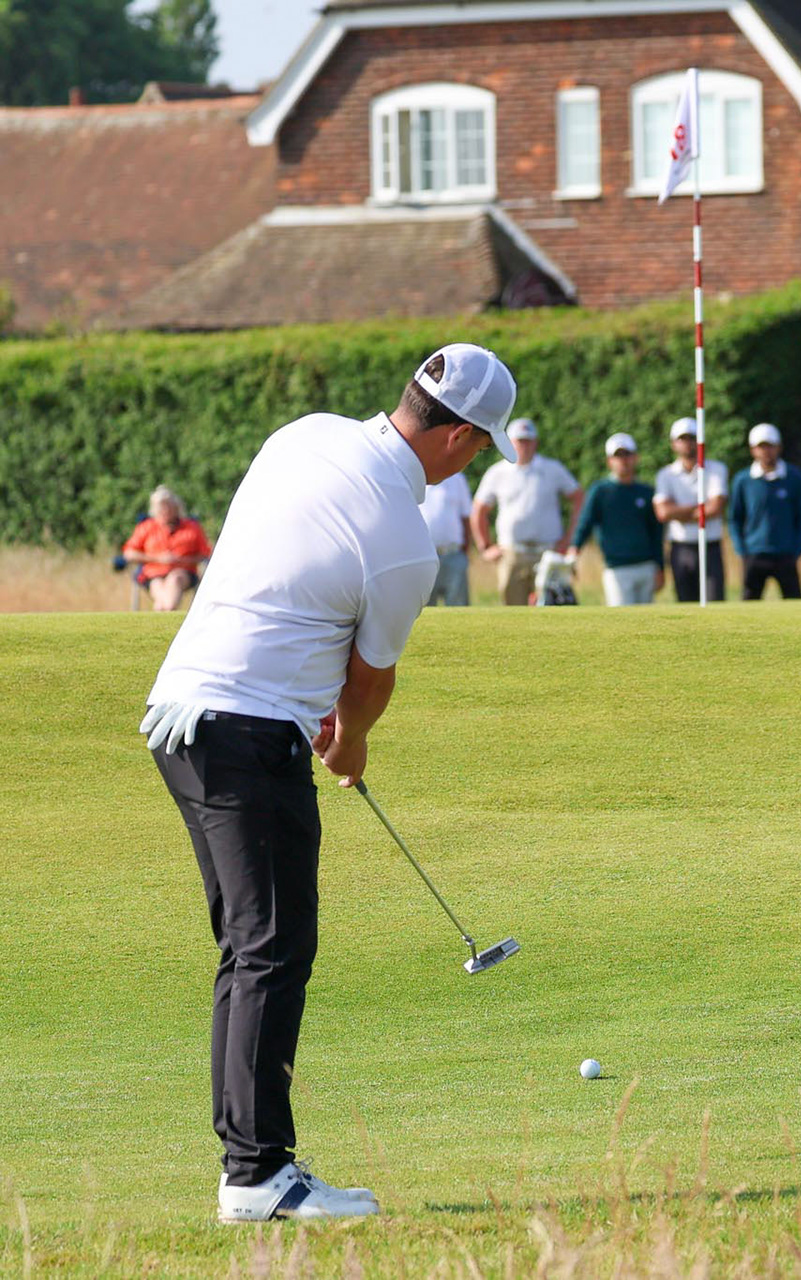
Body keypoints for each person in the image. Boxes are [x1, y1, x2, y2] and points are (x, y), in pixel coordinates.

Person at [140, 344, 518, 1223]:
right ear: (460, 437)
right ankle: (259, 1176)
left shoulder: (302, 435)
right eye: (478, 446)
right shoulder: (403, 540)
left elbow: (284, 572)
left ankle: (252, 1166)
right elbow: (369, 682)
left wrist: (310, 698)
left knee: (249, 944)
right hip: (247, 731)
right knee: (273, 947)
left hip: (179, 714)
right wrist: (350, 747)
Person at [471, 418, 583, 606]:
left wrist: (569, 539)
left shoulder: (552, 469)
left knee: (553, 608)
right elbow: (479, 510)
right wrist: (485, 547)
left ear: (535, 442)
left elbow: (578, 497)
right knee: (513, 610)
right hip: (512, 553)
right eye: (519, 441)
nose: (524, 446)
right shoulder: (497, 472)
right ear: (510, 442)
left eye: (528, 441)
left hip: (548, 551)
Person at [573, 433, 666, 605]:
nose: (623, 460)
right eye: (618, 456)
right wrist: (575, 549)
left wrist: (659, 566)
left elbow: (656, 533)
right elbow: (585, 523)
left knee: (648, 623)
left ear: (635, 458)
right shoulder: (600, 491)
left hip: (646, 566)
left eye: (627, 455)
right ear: (610, 461)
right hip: (617, 569)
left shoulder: (646, 492)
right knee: (623, 623)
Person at [728, 423, 801, 600]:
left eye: (770, 446)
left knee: (794, 602)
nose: (766, 451)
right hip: (754, 553)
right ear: (753, 450)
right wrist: (741, 548)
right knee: (749, 603)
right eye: (761, 446)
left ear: (779, 447)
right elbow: (735, 518)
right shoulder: (743, 480)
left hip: (786, 553)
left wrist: (798, 547)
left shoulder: (795, 477)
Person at [653, 417, 728, 603]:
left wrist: (678, 512)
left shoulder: (717, 469)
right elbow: (663, 513)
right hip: (681, 548)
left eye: (692, 438)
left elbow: (716, 508)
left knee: (714, 602)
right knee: (685, 603)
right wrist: (700, 509)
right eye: (682, 439)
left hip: (710, 547)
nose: (687, 443)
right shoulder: (665, 474)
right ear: (673, 444)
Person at [122, 485, 213, 612]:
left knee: (174, 579)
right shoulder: (146, 527)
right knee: (157, 585)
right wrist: (158, 558)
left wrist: (181, 560)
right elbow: (129, 553)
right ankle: (165, 613)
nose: (165, 511)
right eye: (161, 508)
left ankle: (166, 611)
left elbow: (205, 554)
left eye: (168, 507)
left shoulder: (192, 527)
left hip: (183, 572)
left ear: (176, 508)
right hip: (153, 574)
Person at [418, 470, 473, 606]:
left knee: (458, 606)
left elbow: (466, 517)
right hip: (424, 556)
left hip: (453, 553)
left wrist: (466, 551)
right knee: (425, 608)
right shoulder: (416, 477)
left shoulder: (458, 479)